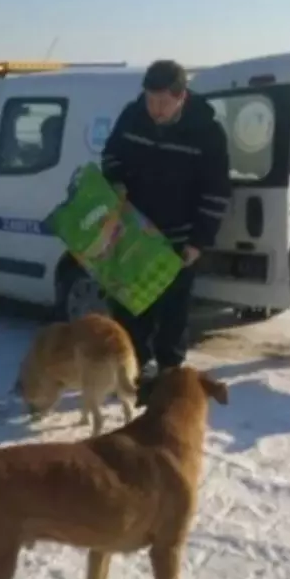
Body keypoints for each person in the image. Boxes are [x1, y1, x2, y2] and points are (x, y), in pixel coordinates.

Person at [100, 59, 232, 395]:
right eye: (150, 100)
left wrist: (198, 241)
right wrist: (115, 181)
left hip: (178, 241)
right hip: (132, 235)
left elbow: (215, 192)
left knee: (173, 316)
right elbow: (111, 156)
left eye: (162, 102)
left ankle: (171, 376)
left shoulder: (207, 132)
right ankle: (132, 374)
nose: (155, 109)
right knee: (130, 310)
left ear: (181, 96)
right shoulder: (132, 116)